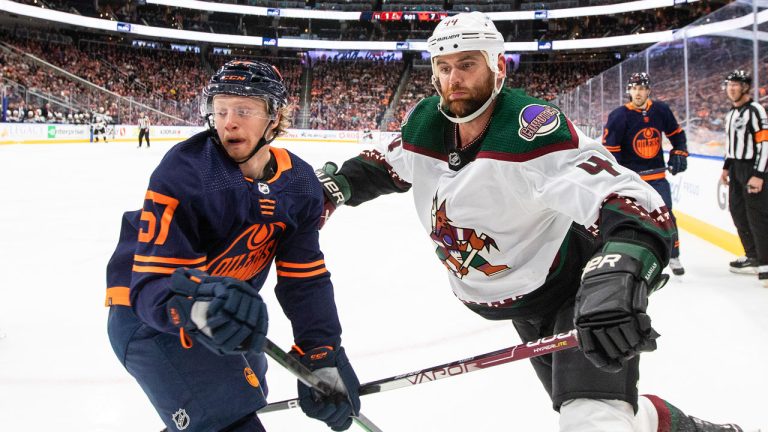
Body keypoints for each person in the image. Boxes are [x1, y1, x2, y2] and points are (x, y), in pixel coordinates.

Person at [315, 11, 748, 432]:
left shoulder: (531, 130)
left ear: (498, 67)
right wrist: (328, 190)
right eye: (444, 67)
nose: (454, 80)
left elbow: (633, 200)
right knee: (600, 412)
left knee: (591, 419)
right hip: (523, 301)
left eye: (467, 64)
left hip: (575, 291)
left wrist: (623, 267)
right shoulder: (425, 121)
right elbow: (382, 167)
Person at [105, 59, 361, 432]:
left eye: (244, 110)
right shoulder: (187, 172)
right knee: (230, 419)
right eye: (221, 109)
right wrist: (198, 302)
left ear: (274, 117)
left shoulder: (302, 183)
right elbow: (152, 285)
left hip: (223, 316)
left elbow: (303, 277)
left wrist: (320, 349)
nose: (229, 122)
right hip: (151, 319)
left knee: (240, 400)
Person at [602, 72, 688, 276]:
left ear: (648, 90)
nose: (638, 92)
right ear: (629, 91)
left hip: (657, 178)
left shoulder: (661, 110)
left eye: (642, 88)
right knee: (633, 218)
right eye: (634, 88)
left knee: (666, 216)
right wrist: (618, 177)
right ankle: (634, 255)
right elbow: (611, 151)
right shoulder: (619, 116)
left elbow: (677, 135)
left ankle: (673, 255)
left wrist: (679, 152)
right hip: (632, 180)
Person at [721, 69, 768, 286]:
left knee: (757, 216)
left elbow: (765, 144)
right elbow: (731, 146)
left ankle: (765, 264)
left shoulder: (756, 110)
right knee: (738, 212)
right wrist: (726, 168)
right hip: (737, 168)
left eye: (736, 84)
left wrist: (759, 174)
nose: (732, 88)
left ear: (745, 88)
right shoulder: (731, 113)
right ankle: (753, 256)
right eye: (729, 84)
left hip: (752, 169)